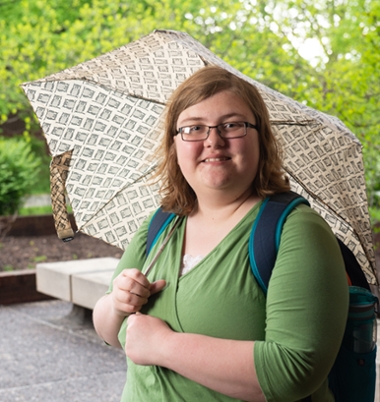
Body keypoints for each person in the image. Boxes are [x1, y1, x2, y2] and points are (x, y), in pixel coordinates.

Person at [93, 65, 349, 401]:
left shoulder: (295, 231)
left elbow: (295, 369)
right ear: (174, 145)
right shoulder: (160, 225)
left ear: (262, 138)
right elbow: (110, 330)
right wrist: (116, 303)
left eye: (232, 125)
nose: (213, 140)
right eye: (194, 128)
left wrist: (163, 346)